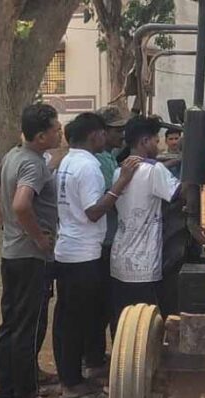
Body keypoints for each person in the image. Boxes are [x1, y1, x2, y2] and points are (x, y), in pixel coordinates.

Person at [0, 104, 68, 398]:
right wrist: (39, 238)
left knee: (10, 325)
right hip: (31, 258)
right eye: (55, 128)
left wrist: (5, 226)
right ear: (40, 137)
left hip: (11, 255)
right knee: (28, 328)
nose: (60, 132)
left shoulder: (13, 156)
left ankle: (3, 396)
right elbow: (21, 204)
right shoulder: (32, 164)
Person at [54, 112, 140, 398]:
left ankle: (71, 377)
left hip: (68, 248)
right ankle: (72, 384)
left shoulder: (68, 160)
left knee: (69, 319)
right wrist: (121, 183)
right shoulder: (89, 166)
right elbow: (93, 211)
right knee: (78, 320)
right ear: (94, 135)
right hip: (83, 252)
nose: (108, 137)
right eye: (104, 132)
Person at [109, 116, 181, 329]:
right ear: (144, 141)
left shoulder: (118, 172)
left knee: (123, 323)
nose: (158, 146)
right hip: (144, 265)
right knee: (145, 327)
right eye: (156, 141)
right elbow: (180, 193)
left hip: (120, 260)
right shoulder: (153, 170)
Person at [85, 105, 128, 379]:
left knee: (107, 302)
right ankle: (93, 358)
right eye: (116, 130)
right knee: (100, 305)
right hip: (102, 242)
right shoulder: (97, 163)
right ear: (101, 132)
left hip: (109, 240)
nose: (121, 135)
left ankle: (98, 355)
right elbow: (100, 204)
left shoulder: (110, 156)